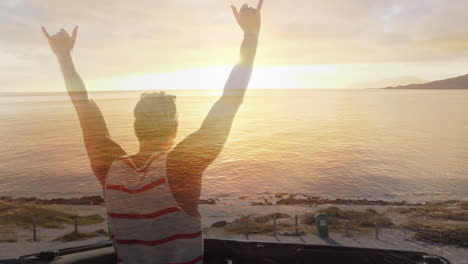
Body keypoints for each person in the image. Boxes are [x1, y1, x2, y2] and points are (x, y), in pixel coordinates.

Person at [41, 1, 262, 263]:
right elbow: (230, 100)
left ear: (136, 128)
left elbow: (84, 106)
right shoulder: (181, 167)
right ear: (175, 129)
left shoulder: (110, 168)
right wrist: (251, 35)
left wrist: (63, 56)